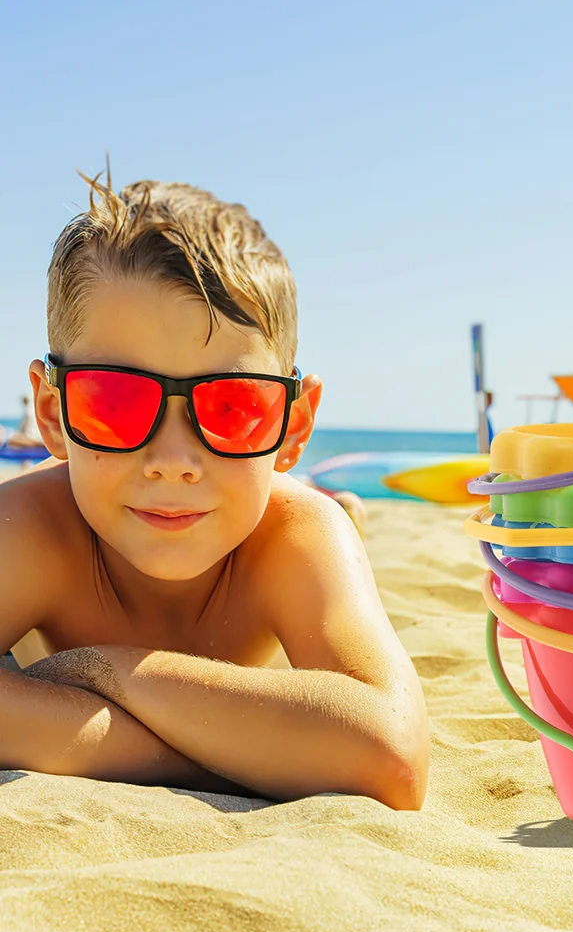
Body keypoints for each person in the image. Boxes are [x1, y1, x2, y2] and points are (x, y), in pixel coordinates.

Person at [0, 173, 429, 807]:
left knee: (324, 521)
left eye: (233, 409)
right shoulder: (33, 527)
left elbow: (391, 757)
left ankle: (343, 512)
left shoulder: (292, 536)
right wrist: (216, 757)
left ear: (294, 425)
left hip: (283, 520)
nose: (173, 462)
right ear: (53, 414)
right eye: (115, 401)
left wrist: (105, 670)